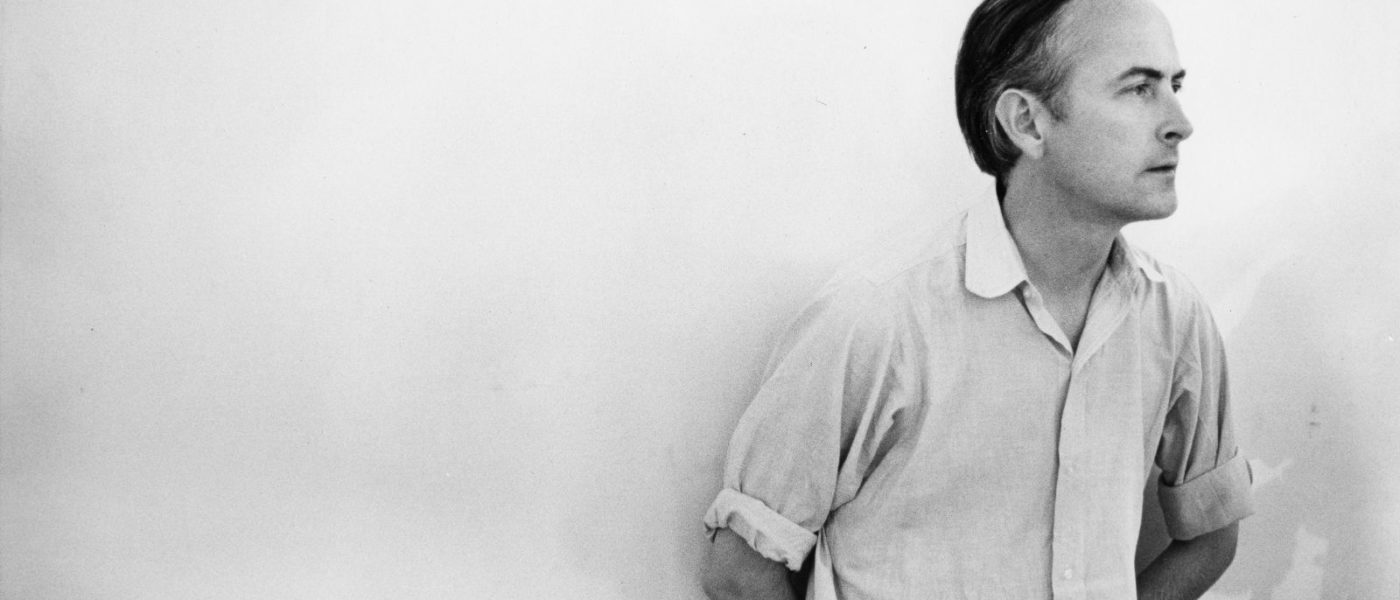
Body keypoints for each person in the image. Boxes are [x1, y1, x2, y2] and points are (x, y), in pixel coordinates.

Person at [699, 0, 1254, 598]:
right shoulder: (878, 317)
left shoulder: (1175, 317)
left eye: (1174, 86)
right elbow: (739, 574)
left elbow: (1212, 533)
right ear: (1027, 122)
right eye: (1139, 89)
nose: (1180, 123)